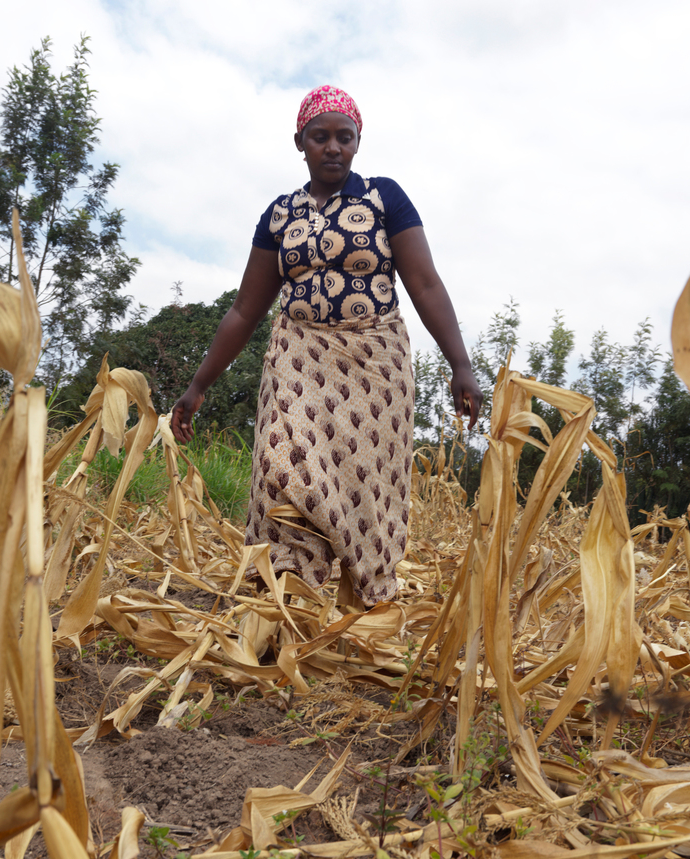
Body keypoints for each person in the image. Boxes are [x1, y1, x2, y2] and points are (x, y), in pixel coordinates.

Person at [172, 85, 481, 607]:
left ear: (359, 142)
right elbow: (246, 309)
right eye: (321, 137)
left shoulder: (384, 198)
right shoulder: (280, 214)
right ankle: (288, 597)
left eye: (345, 137)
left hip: (373, 362)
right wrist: (198, 386)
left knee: (366, 491)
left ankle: (363, 601)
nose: (333, 147)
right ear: (301, 142)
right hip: (297, 354)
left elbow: (425, 284)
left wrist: (461, 365)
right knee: (281, 467)